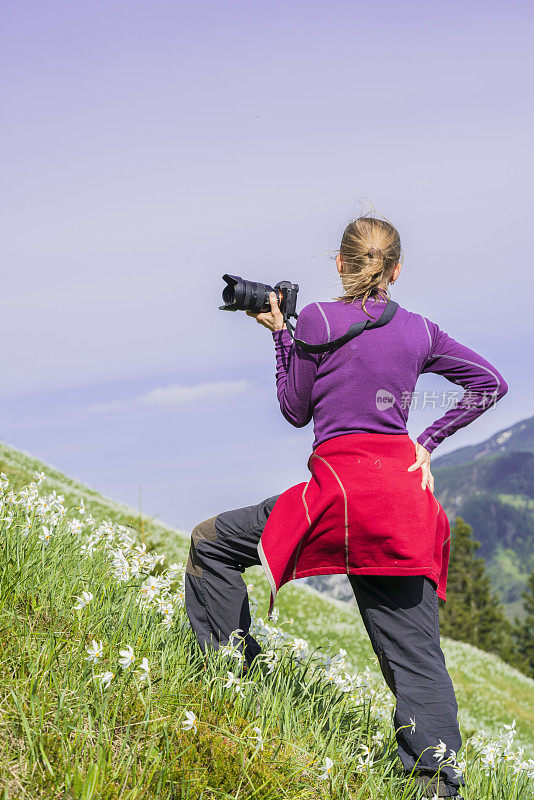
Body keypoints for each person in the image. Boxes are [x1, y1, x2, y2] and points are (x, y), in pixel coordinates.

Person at [184, 214, 508, 799]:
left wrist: (280, 334)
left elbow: (294, 408)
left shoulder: (317, 320)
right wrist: (426, 442)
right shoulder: (420, 331)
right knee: (417, 658)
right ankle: (437, 782)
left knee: (212, 541)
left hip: (335, 496)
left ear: (339, 263)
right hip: (403, 504)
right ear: (397, 271)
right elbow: (490, 383)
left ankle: (232, 673)